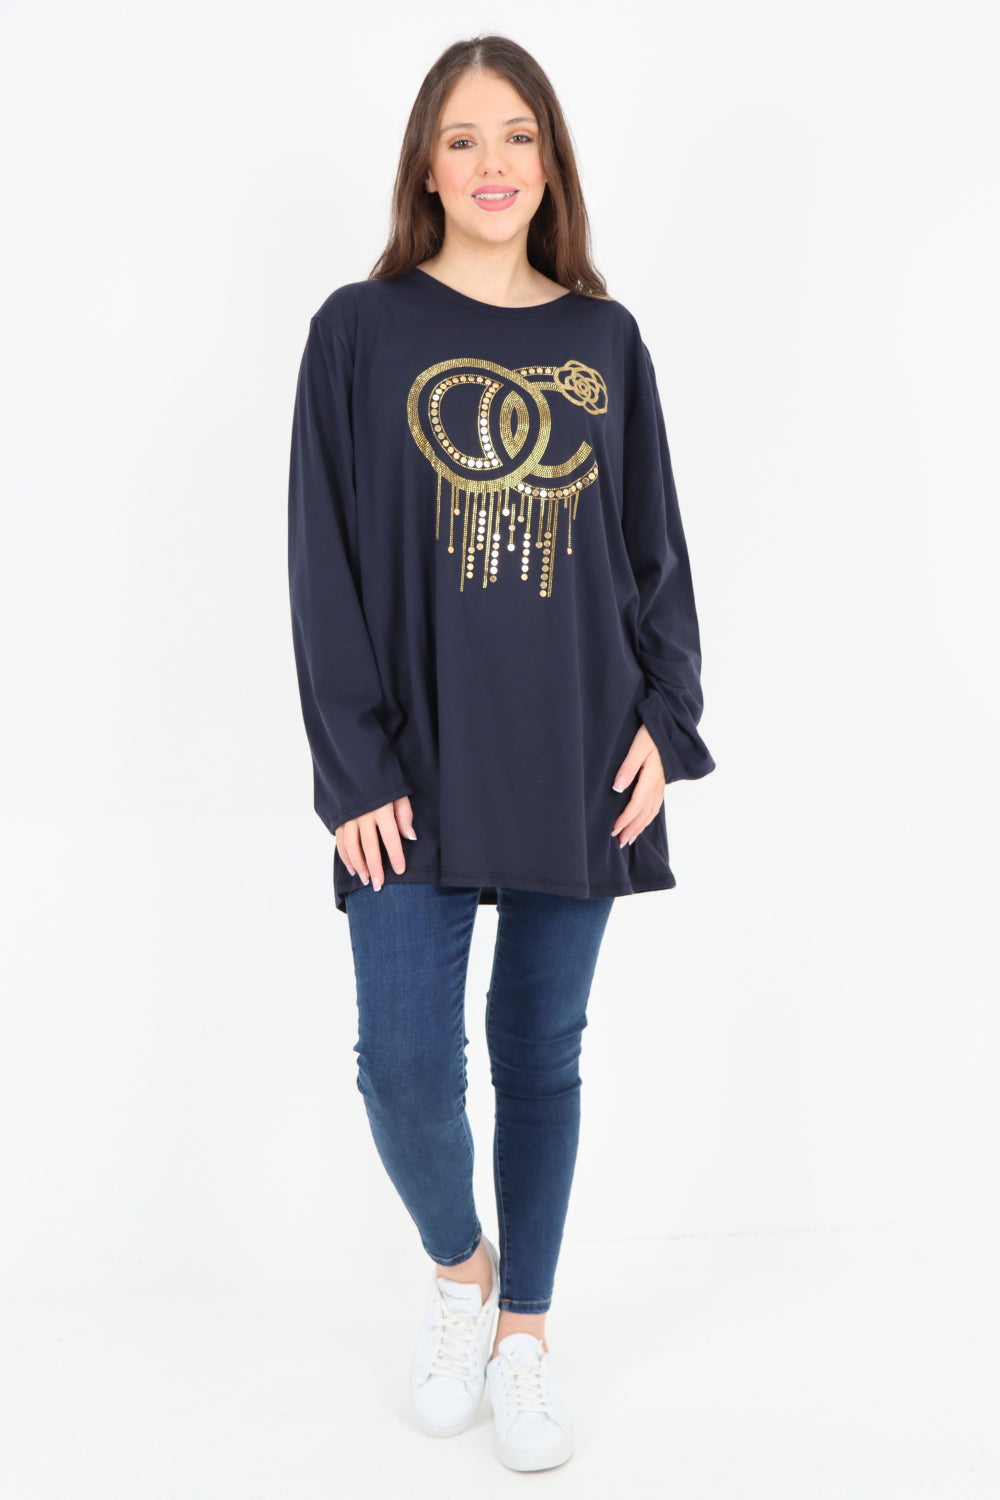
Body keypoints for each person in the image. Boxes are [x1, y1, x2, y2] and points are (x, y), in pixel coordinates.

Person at [287, 33, 716, 1474]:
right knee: (403, 1064)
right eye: (463, 137)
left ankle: (524, 1334)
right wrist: (354, 769)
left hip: (578, 752)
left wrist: (666, 722)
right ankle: (461, 1271)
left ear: (551, 161)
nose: (492, 164)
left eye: (518, 136)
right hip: (408, 766)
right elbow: (322, 558)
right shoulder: (358, 330)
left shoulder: (605, 341)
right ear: (426, 162)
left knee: (540, 1055)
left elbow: (654, 553)